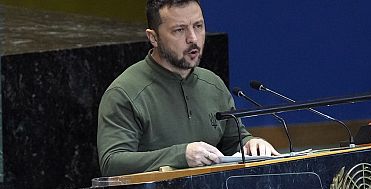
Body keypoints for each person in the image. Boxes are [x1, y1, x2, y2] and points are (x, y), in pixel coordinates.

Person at [97, 0, 279, 177]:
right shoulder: (125, 93)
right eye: (179, 30)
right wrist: (181, 155)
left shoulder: (212, 84)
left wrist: (250, 144)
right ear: (153, 38)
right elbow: (112, 163)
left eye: (198, 26)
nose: (193, 38)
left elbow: (233, 142)